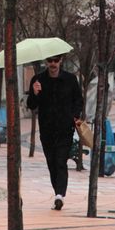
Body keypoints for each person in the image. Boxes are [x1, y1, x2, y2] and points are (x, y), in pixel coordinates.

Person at [26, 54, 83, 211]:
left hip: (65, 128)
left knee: (60, 161)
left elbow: (78, 100)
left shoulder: (70, 79)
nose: (53, 64)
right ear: (46, 62)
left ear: (61, 61)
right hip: (46, 129)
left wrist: (74, 116)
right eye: (50, 61)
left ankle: (59, 195)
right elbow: (31, 105)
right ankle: (58, 193)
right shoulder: (38, 80)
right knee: (51, 162)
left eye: (56, 61)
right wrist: (35, 93)